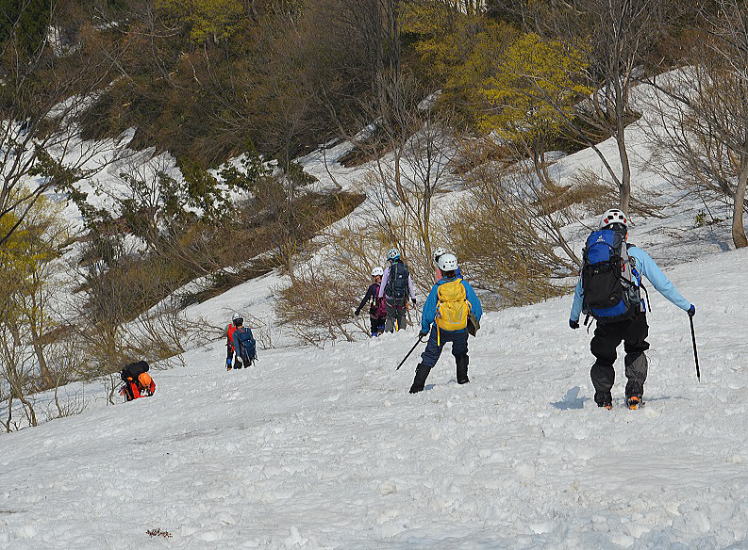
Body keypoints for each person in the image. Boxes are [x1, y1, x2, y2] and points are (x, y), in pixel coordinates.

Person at [569, 208, 696, 410]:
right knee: (635, 350)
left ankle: (603, 399)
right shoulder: (635, 254)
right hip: (632, 316)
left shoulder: (593, 257)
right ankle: (634, 394)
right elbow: (663, 285)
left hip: (604, 316)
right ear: (626, 234)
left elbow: (581, 291)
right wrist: (686, 306)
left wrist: (574, 318)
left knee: (603, 357)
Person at [410, 253, 482, 393]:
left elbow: (429, 312)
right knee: (461, 352)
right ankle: (462, 378)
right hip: (461, 328)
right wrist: (471, 322)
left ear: (441, 270)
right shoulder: (464, 285)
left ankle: (417, 387)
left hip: (441, 330)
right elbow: (477, 308)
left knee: (430, 355)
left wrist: (424, 329)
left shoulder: (438, 288)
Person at [378, 248, 418, 333]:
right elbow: (410, 285)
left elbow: (383, 284)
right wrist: (413, 298)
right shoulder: (405, 269)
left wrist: (380, 296)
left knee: (390, 317)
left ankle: (388, 335)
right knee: (402, 315)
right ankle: (402, 334)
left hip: (390, 298)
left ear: (390, 260)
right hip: (402, 297)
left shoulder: (388, 270)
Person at [355, 267, 387, 337]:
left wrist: (359, 309)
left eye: (375, 276)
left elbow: (365, 298)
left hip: (374, 312)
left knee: (374, 330)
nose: (374, 278)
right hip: (384, 311)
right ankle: (380, 338)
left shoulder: (373, 287)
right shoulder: (386, 285)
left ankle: (375, 339)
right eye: (374, 276)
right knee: (381, 328)